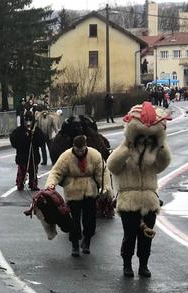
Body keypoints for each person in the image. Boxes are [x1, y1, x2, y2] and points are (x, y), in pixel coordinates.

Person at [107, 101, 172, 278]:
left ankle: (143, 265)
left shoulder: (153, 153)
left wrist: (161, 145)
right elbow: (112, 166)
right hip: (129, 200)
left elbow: (163, 164)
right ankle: (127, 264)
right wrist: (127, 148)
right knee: (129, 237)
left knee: (146, 238)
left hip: (149, 200)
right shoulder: (125, 149)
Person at [45, 135, 104, 257]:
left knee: (90, 220)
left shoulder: (94, 155)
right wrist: (51, 184)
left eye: (82, 150)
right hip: (73, 191)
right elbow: (56, 172)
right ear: (73, 147)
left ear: (86, 146)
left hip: (90, 191)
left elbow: (102, 172)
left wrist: (106, 188)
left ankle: (87, 240)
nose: (80, 152)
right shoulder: (66, 156)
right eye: (78, 150)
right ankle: (75, 244)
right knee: (74, 220)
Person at [9, 111, 45, 191]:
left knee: (34, 171)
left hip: (33, 155)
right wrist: (25, 138)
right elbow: (14, 140)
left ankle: (33, 184)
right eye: (26, 120)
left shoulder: (36, 130)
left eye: (30, 120)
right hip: (22, 155)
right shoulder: (19, 131)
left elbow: (42, 140)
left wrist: (34, 137)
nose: (28, 123)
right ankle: (20, 183)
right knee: (22, 171)